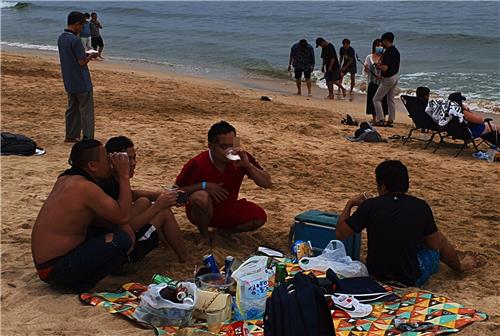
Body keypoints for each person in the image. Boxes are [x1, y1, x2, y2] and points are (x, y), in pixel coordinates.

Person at [335, 160, 475, 286]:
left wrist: (350, 204)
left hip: (376, 274)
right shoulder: (420, 206)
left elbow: (341, 233)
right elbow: (434, 245)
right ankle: (460, 267)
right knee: (439, 238)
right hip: (409, 277)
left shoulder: (371, 205)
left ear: (383, 186)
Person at [32, 140, 133, 292]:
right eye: (106, 159)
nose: (111, 162)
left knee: (107, 229)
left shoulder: (65, 178)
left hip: (46, 265)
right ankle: (79, 286)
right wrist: (123, 176)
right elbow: (123, 216)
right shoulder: (85, 187)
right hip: (57, 269)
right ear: (92, 166)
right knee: (121, 240)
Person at [176, 121, 271, 244]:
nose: (230, 151)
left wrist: (248, 166)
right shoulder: (197, 163)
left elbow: (266, 183)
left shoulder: (241, 158)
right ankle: (205, 235)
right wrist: (204, 186)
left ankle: (223, 233)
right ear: (211, 146)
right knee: (200, 197)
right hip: (201, 211)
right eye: (225, 147)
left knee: (258, 216)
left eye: (234, 145)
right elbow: (174, 193)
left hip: (228, 207)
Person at [100, 136, 187, 262]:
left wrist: (164, 196)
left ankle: (168, 245)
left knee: (144, 201)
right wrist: (159, 205)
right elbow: (125, 228)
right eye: (128, 159)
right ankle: (185, 258)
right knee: (164, 212)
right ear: (113, 160)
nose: (133, 163)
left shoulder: (110, 179)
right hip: (121, 253)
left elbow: (132, 194)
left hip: (111, 244)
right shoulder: (109, 187)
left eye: (134, 158)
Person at [58, 11, 97, 142]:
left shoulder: (61, 38)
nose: (82, 28)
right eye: (82, 26)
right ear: (76, 24)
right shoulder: (75, 40)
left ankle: (70, 135)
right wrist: (91, 56)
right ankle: (87, 138)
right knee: (86, 111)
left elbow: (71, 56)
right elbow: (81, 62)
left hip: (69, 80)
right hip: (82, 81)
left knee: (72, 109)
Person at [373, 32, 400, 127]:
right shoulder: (396, 51)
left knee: (376, 99)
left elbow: (385, 68)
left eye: (383, 41)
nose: (382, 44)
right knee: (390, 100)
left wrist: (378, 66)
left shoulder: (388, 52)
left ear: (386, 40)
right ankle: (391, 119)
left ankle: (380, 119)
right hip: (395, 77)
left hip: (388, 78)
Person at [364, 39, 388, 123]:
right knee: (372, 99)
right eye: (377, 45)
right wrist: (366, 68)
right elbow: (365, 70)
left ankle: (383, 117)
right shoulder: (369, 57)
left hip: (382, 82)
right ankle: (374, 118)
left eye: (381, 45)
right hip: (372, 81)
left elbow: (388, 69)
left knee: (383, 100)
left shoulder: (385, 57)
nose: (379, 47)